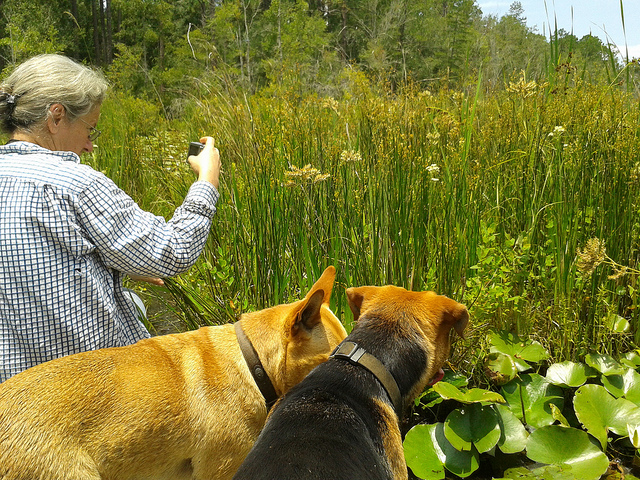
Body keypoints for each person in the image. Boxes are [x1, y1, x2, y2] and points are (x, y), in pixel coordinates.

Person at [0, 54, 221, 382]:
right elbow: (173, 252)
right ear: (56, 116)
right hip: (87, 392)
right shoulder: (75, 184)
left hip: (14, 398)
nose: (90, 146)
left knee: (134, 302)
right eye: (89, 128)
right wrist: (207, 180)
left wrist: (111, 263)